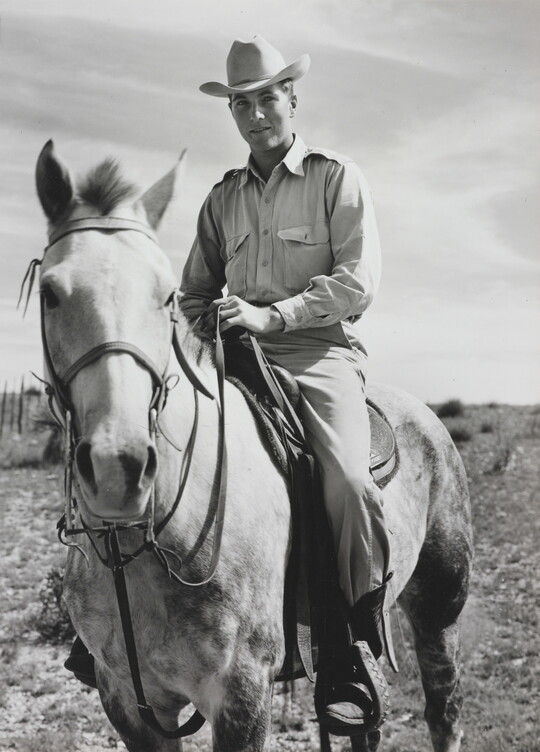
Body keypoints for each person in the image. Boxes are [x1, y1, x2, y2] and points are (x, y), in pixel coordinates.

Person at [179, 36, 393, 735]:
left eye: (267, 96)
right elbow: (192, 292)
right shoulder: (222, 200)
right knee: (165, 451)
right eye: (241, 102)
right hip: (237, 353)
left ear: (291, 99)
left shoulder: (335, 177)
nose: (254, 112)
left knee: (346, 482)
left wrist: (277, 314)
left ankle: (349, 646)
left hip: (318, 350)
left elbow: (358, 283)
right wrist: (214, 317)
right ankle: (119, 632)